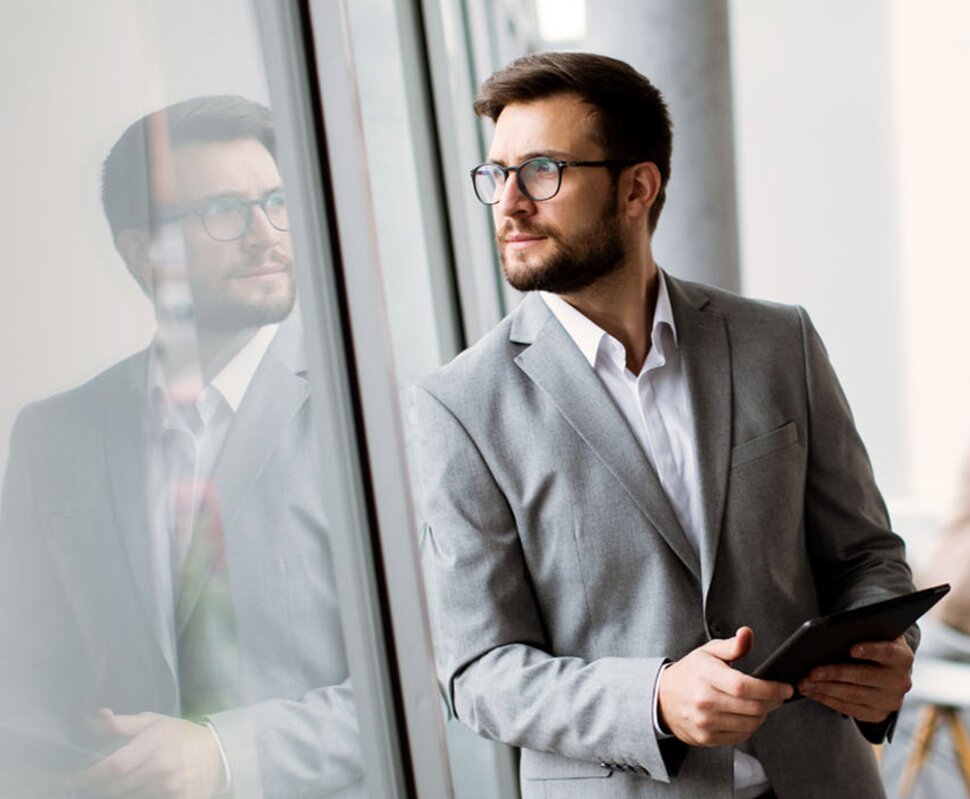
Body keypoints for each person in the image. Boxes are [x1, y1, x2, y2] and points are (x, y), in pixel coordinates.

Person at [413, 52, 917, 799]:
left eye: (542, 171)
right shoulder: (460, 405)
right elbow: (476, 671)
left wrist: (888, 651)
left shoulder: (779, 343)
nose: (510, 203)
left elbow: (867, 554)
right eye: (496, 174)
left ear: (636, 188)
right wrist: (653, 699)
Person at [0, 96, 363, 798]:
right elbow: (24, 674)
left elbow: (433, 677)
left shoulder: (369, 417)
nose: (266, 234)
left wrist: (223, 754)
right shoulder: (53, 438)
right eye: (225, 212)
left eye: (277, 201)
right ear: (143, 252)